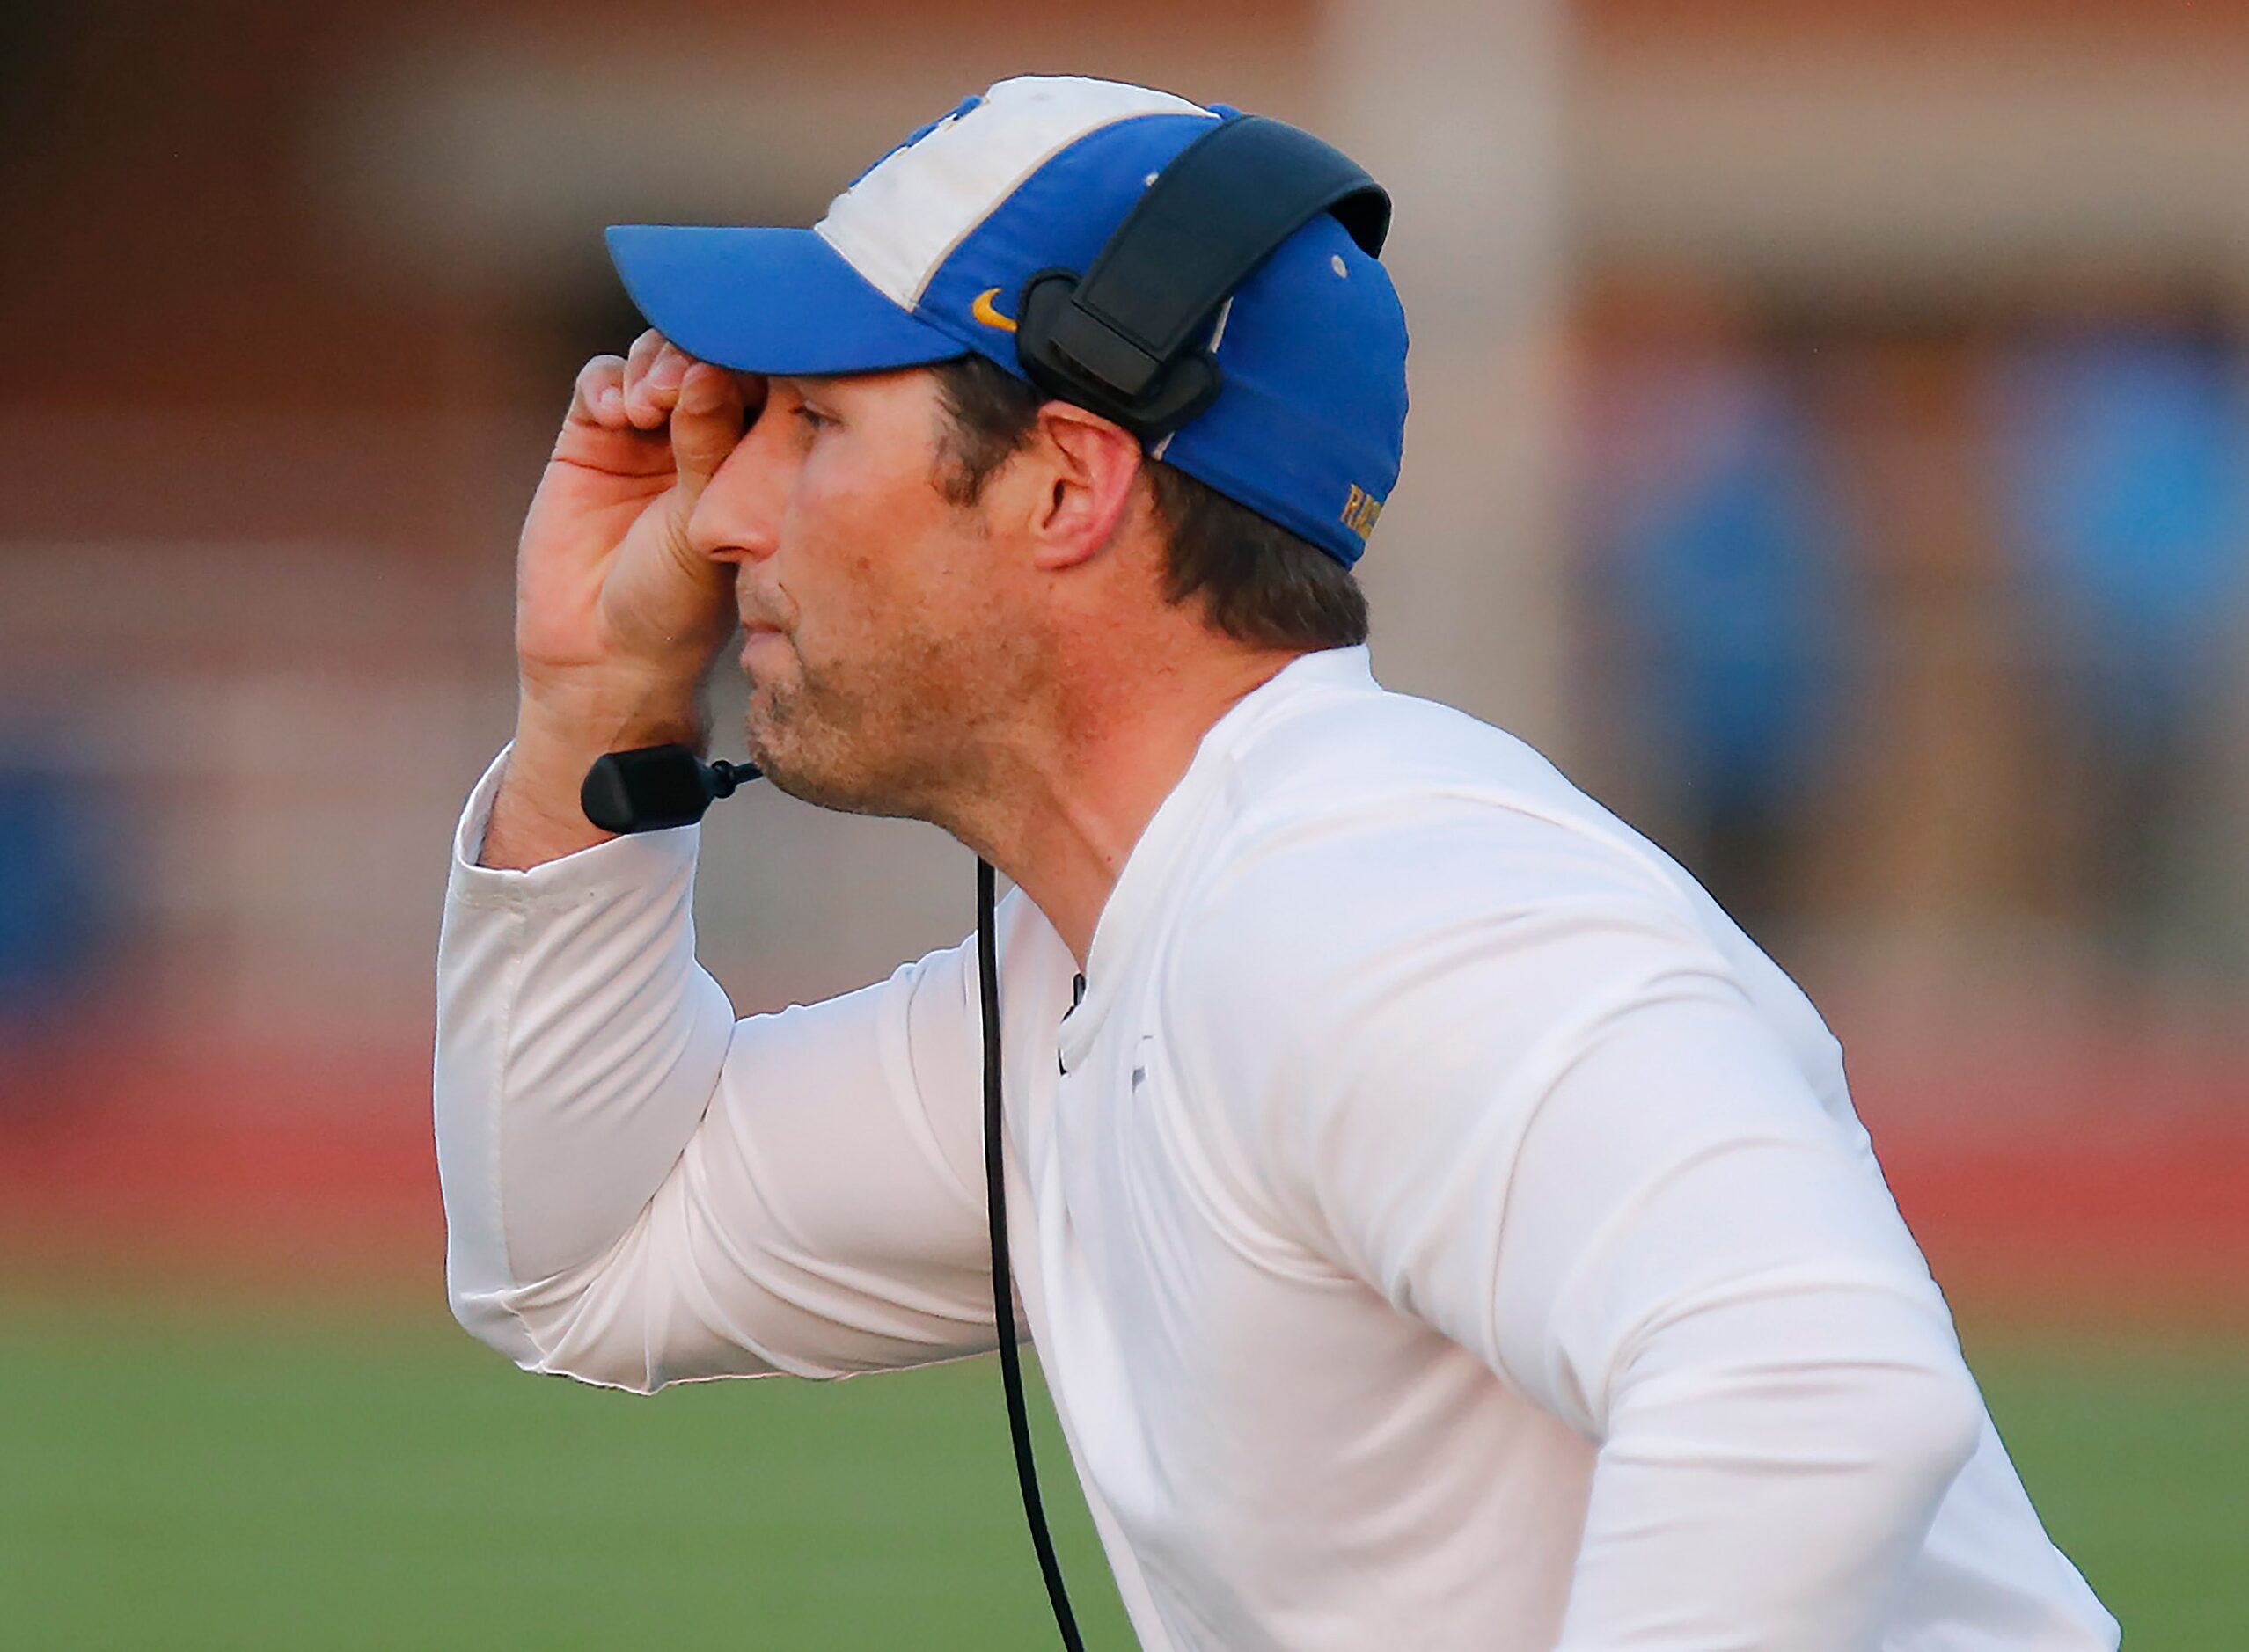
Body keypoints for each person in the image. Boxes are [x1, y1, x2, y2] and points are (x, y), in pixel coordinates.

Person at [434, 76, 2117, 1650]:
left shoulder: (1372, 906)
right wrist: (593, 697)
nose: (720, 515)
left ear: (1067, 484)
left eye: (812, 421)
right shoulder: (1128, 945)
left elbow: (1817, 1379)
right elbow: (587, 1261)